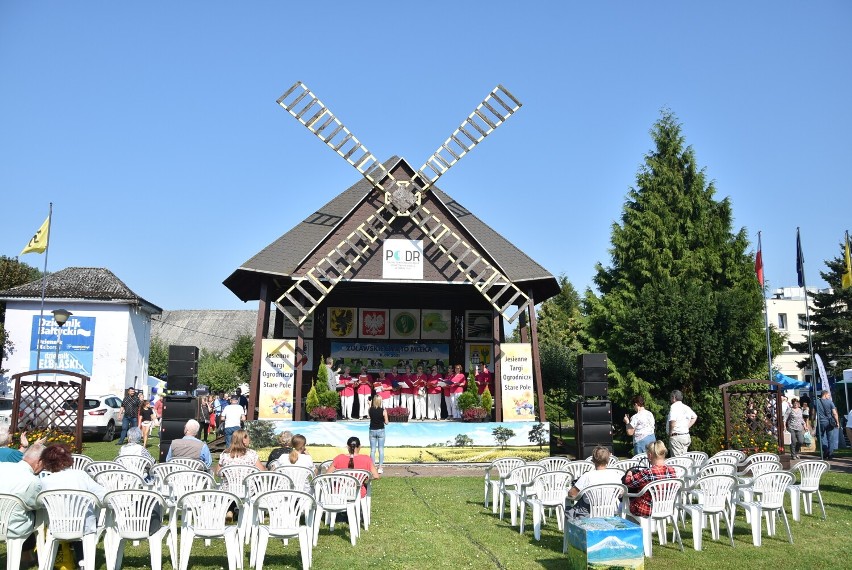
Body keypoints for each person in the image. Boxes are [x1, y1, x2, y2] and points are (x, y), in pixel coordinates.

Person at [40, 443, 107, 567]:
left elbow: (39, 504)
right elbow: (104, 496)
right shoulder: (81, 476)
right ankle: (83, 561)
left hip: (57, 526)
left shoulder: (44, 482)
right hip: (83, 526)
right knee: (83, 516)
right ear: (67, 458)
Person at [0, 442, 45, 568]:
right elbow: (36, 505)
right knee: (37, 514)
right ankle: (30, 555)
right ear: (39, 461)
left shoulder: (2, 466)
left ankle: (27, 555)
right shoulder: (33, 481)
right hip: (13, 527)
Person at [622, 440, 677, 517]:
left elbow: (629, 483)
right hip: (666, 507)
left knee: (626, 501)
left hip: (647, 509)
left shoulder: (648, 472)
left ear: (650, 455)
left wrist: (629, 473)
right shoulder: (672, 470)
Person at [566, 446, 623, 519]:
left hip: (588, 513)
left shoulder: (587, 476)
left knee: (570, 509)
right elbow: (621, 494)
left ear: (593, 459)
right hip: (610, 511)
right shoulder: (615, 475)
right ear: (608, 460)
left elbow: (572, 494)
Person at [666, 390, 697, 457]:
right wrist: (686, 427)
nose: (670, 399)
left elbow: (672, 422)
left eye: (671, 397)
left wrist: (670, 433)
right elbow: (694, 417)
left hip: (677, 437)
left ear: (674, 397)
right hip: (685, 436)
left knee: (677, 461)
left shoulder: (674, 406)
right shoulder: (686, 407)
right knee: (684, 459)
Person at [815, 390, 840, 460]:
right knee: (830, 438)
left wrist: (812, 421)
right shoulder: (830, 402)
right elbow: (834, 413)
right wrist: (837, 422)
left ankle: (825, 450)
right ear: (825, 395)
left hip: (820, 422)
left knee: (819, 436)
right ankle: (830, 453)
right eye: (828, 395)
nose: (829, 397)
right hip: (829, 422)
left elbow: (813, 412)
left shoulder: (816, 402)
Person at [368, 396, 389, 474]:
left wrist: (369, 405)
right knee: (381, 449)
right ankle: (380, 467)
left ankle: (373, 467)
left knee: (373, 450)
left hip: (372, 430)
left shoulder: (370, 410)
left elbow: (370, 417)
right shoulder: (383, 411)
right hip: (381, 430)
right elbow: (386, 422)